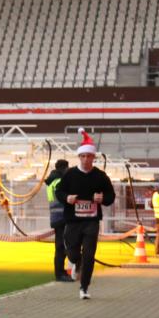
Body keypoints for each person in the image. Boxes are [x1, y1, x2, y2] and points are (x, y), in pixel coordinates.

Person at [54, 128, 116, 299]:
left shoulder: (100, 176)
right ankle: (76, 262)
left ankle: (84, 288)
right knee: (73, 253)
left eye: (89, 156)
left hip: (92, 222)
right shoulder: (70, 174)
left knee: (89, 254)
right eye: (83, 156)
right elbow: (58, 192)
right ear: (79, 157)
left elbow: (111, 197)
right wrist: (67, 198)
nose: (86, 159)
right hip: (73, 221)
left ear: (93, 158)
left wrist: (102, 198)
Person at [45, 159, 74, 282]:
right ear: (64, 168)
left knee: (61, 246)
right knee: (61, 246)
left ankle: (61, 272)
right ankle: (60, 273)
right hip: (62, 217)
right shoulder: (59, 181)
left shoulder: (52, 181)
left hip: (56, 217)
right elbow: (64, 198)